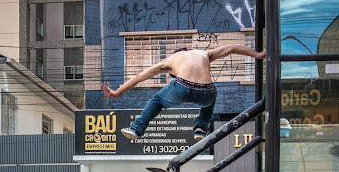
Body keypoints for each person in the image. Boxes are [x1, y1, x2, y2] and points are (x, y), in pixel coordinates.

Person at [102, 45, 265, 141]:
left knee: (157, 100)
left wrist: (116, 93)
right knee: (213, 94)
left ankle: (136, 129)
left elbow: (139, 77)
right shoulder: (205, 54)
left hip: (183, 86)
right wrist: (257, 55)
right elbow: (232, 48)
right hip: (206, 92)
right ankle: (201, 129)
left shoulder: (168, 61)